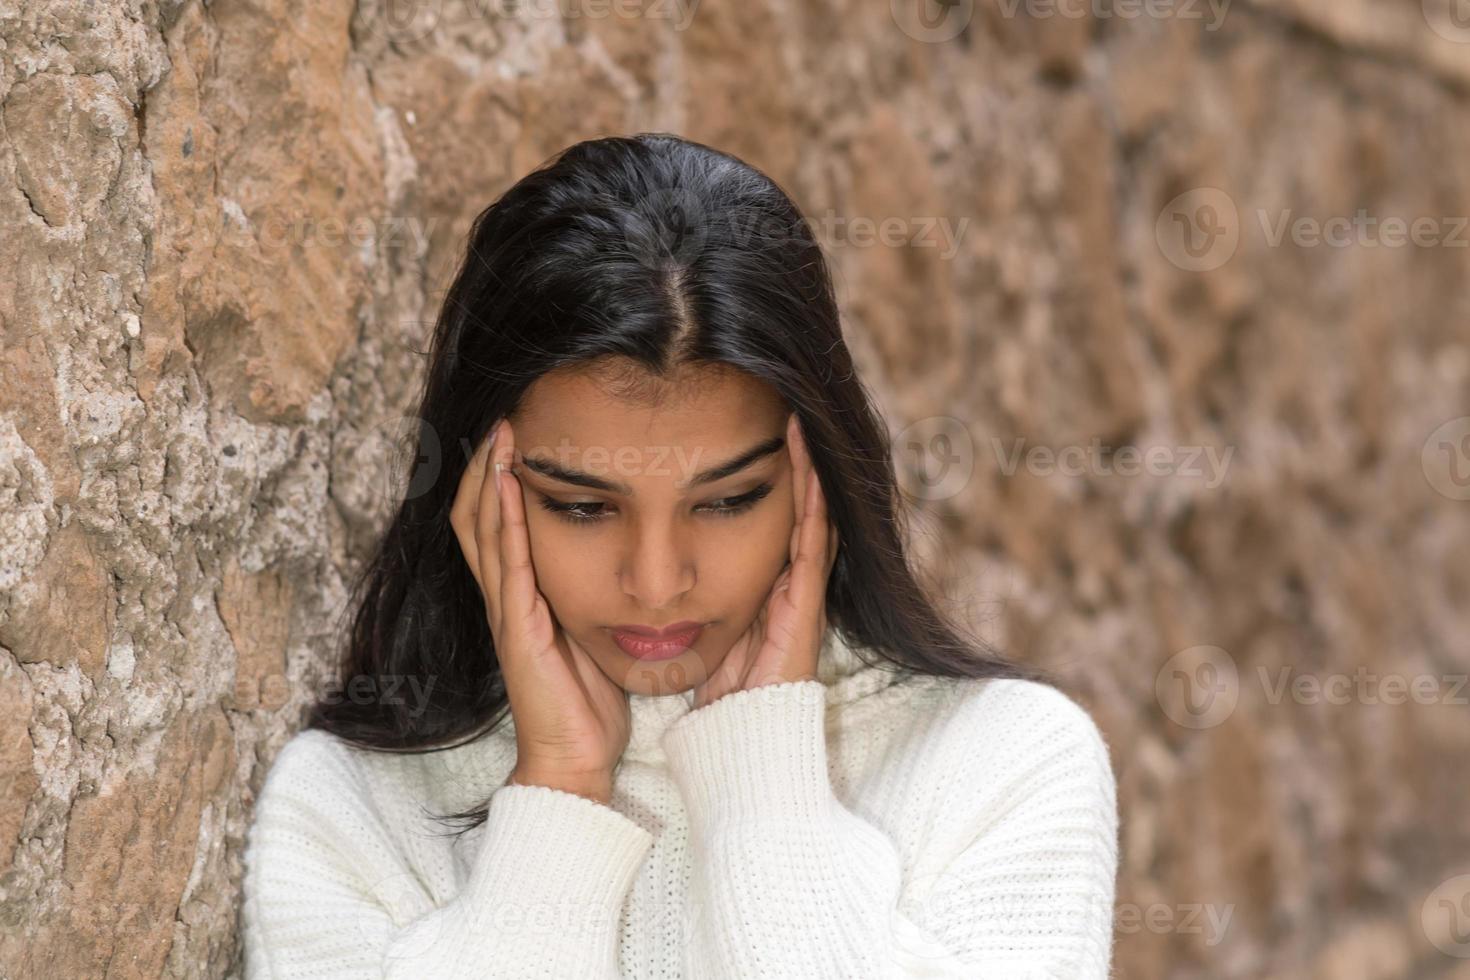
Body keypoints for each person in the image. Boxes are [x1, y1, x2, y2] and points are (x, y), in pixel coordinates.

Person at [240, 132, 1119, 978]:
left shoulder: (1002, 765)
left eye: (729, 499)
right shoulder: (353, 810)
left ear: (819, 478)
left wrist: (764, 778)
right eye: (581, 506)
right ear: (475, 490)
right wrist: (557, 791)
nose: (657, 583)